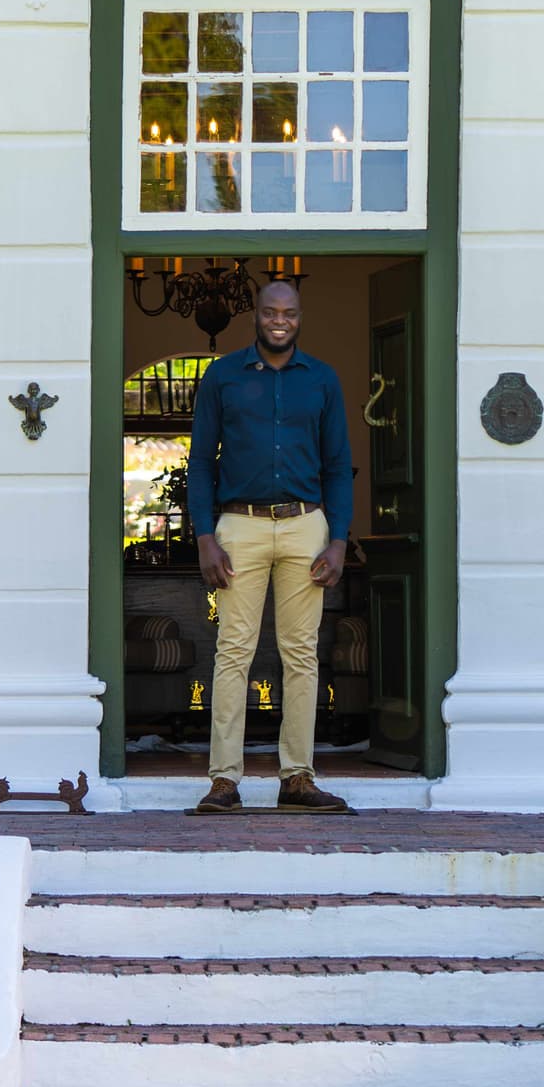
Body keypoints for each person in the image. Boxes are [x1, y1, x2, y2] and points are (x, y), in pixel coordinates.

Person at [185, 280, 354, 814]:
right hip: (241, 526)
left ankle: (297, 778)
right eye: (269, 311)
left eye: (289, 313)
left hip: (306, 525)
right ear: (254, 316)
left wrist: (339, 540)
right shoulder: (223, 376)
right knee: (233, 652)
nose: (279, 320)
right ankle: (224, 781)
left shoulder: (322, 380)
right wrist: (205, 536)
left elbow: (337, 466)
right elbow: (201, 463)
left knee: (301, 655)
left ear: (300, 317)